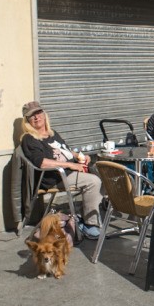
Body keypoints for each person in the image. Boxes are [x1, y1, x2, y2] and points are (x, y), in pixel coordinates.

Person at [20, 101, 104, 240]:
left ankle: (85, 215)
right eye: (32, 116)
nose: (36, 117)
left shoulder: (52, 133)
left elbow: (65, 151)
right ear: (27, 121)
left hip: (68, 172)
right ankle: (90, 224)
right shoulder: (29, 139)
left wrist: (79, 156)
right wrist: (70, 165)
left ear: (44, 114)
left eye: (39, 113)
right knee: (93, 181)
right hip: (55, 177)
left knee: (104, 174)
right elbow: (41, 162)